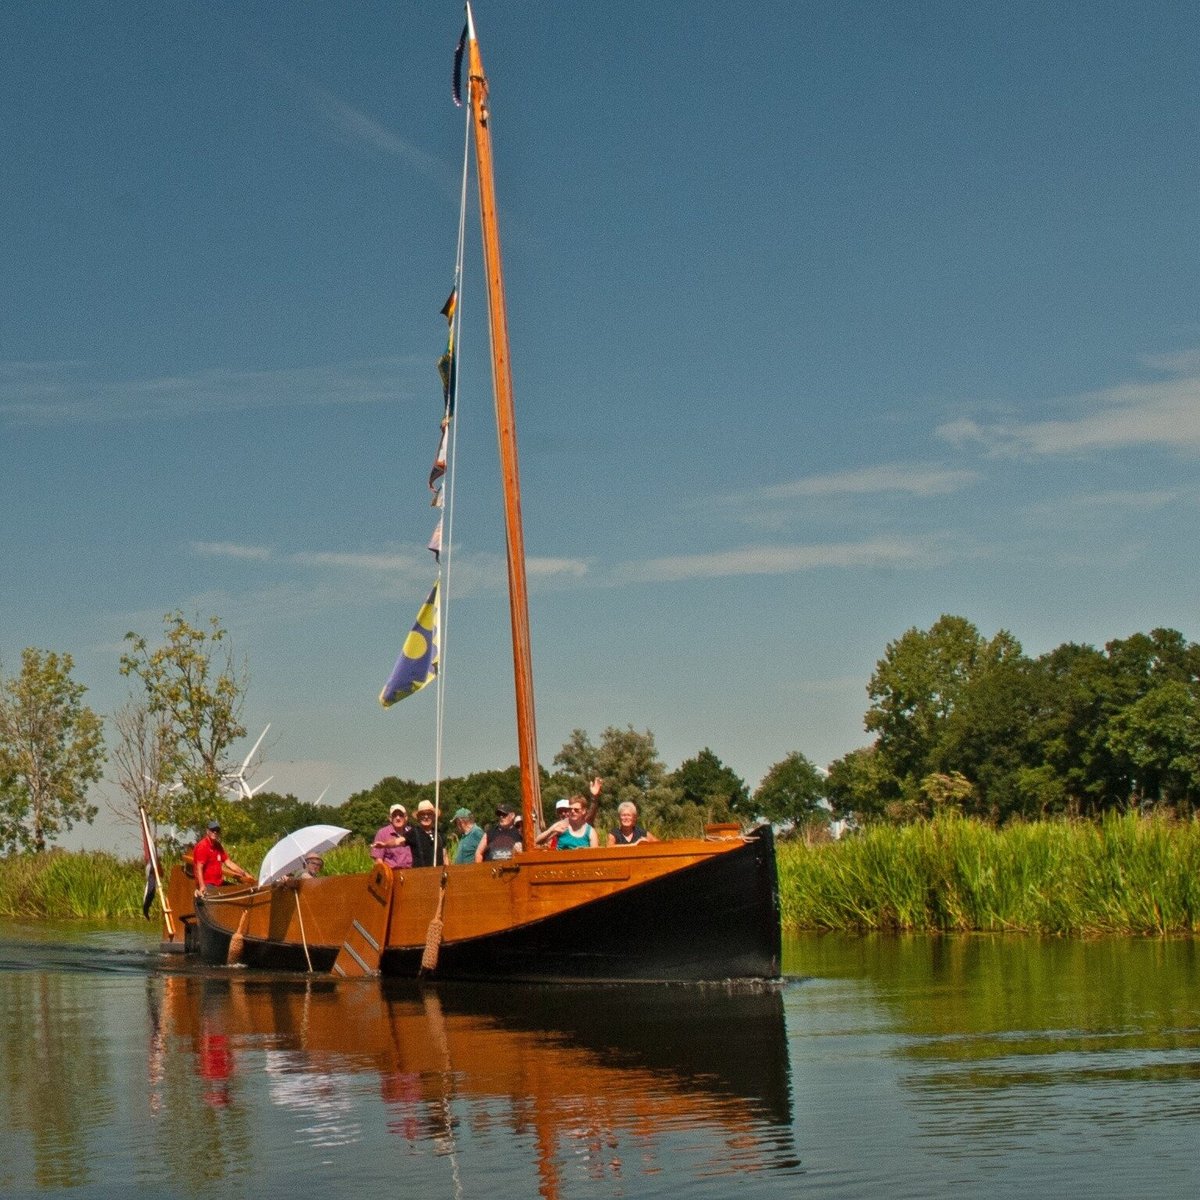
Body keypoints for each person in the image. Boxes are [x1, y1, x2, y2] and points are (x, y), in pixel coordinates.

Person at [193, 820, 253, 897]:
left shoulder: (218, 846)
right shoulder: (203, 846)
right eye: (212, 830)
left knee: (237, 891)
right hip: (207, 884)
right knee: (214, 906)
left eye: (217, 831)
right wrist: (201, 886)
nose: (215, 832)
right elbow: (199, 868)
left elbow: (229, 863)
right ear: (207, 831)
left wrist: (244, 873)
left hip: (218, 883)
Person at [371, 804, 414, 869]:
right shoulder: (382, 833)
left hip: (411, 873)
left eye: (401, 815)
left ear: (406, 818)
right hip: (392, 873)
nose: (398, 818)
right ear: (390, 818)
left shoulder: (412, 832)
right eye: (394, 815)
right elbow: (378, 860)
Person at [410, 799, 446, 867]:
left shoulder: (439, 834)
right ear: (418, 817)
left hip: (438, 874)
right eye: (422, 814)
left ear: (433, 816)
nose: (426, 817)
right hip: (420, 875)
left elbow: (445, 856)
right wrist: (385, 844)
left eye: (429, 814)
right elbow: (399, 841)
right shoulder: (413, 833)